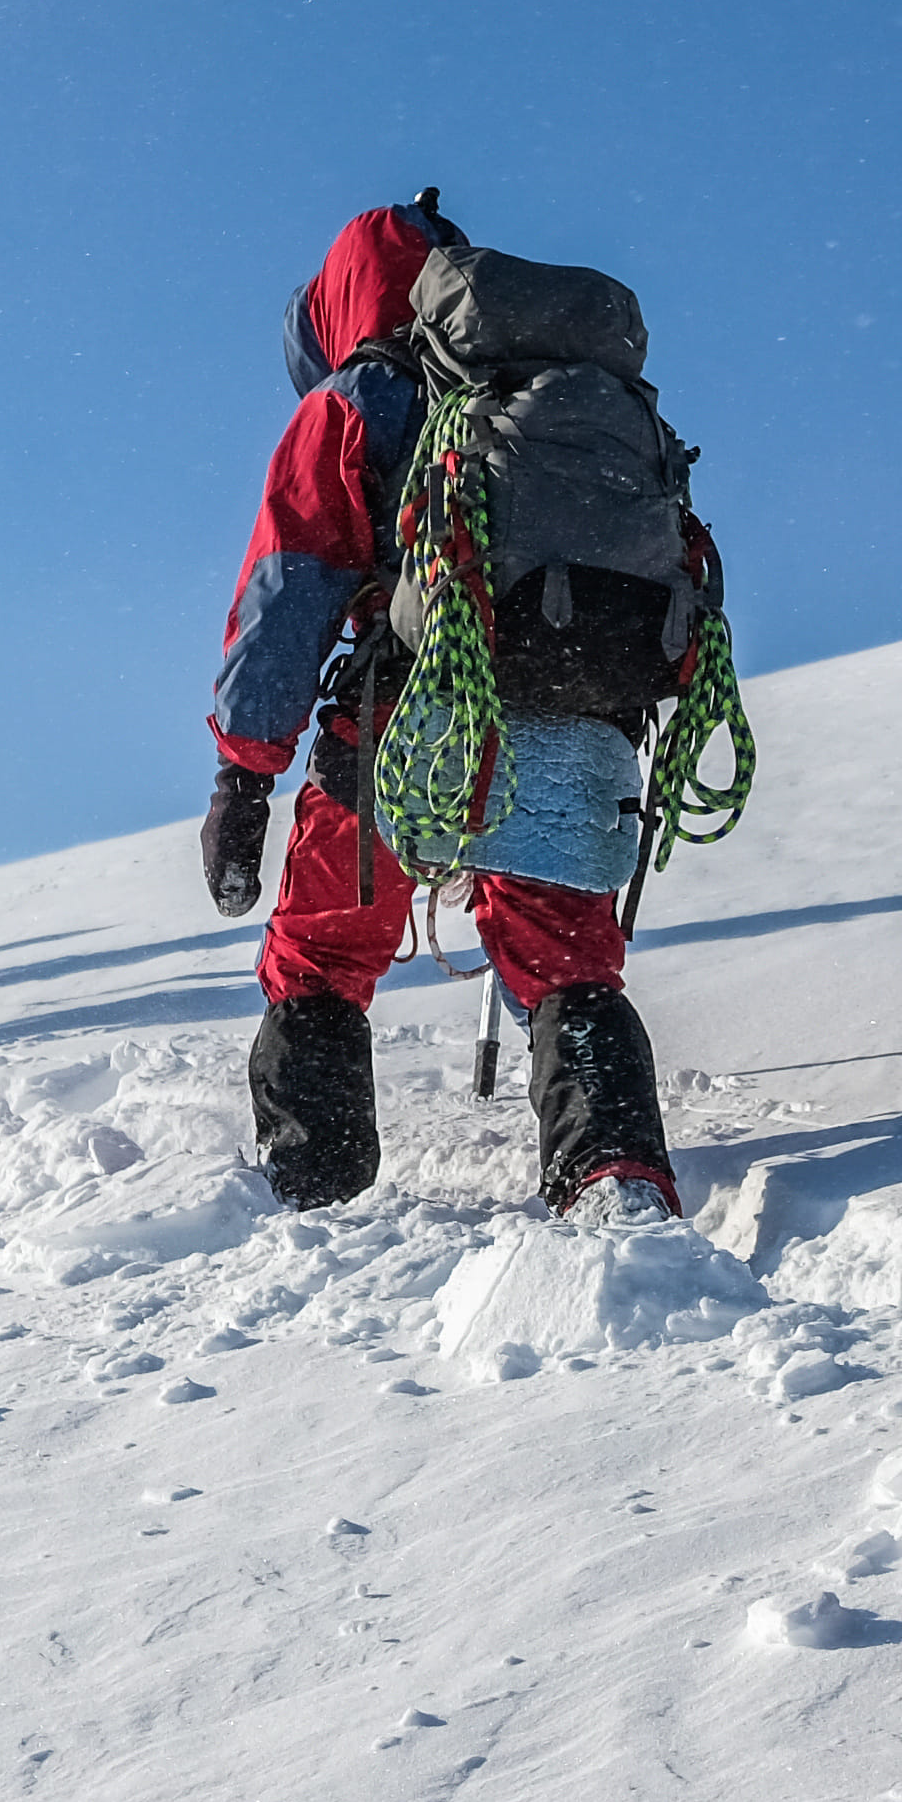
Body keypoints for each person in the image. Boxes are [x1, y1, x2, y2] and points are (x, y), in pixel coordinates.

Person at [204, 198, 682, 1216]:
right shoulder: (566, 389)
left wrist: (243, 775)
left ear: (338, 304)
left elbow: (286, 595)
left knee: (321, 949)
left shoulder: (358, 398)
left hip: (406, 719)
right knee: (566, 957)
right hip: (577, 701)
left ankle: (314, 1195)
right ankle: (617, 1178)